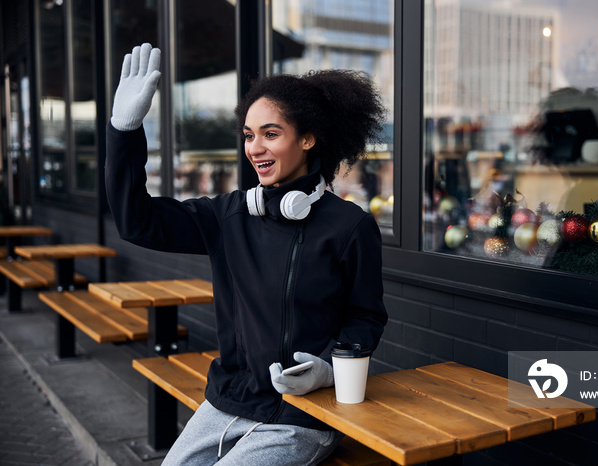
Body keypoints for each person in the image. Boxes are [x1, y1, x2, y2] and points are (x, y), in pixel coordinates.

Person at [106, 43, 388, 465]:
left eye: (271, 134)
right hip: (228, 400)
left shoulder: (350, 227)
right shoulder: (228, 215)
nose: (255, 148)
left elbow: (365, 317)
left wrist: (328, 368)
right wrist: (124, 130)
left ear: (308, 139)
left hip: (304, 412)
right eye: (249, 135)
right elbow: (137, 222)